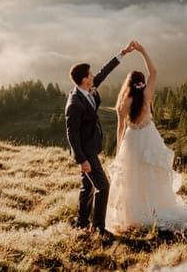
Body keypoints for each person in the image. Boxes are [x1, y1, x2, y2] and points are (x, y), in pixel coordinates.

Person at [106, 41, 187, 232]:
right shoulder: (146, 96)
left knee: (133, 178)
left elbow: (120, 128)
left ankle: (135, 213)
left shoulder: (123, 102)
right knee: (152, 175)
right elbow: (154, 72)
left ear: (128, 84)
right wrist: (142, 51)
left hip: (131, 141)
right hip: (148, 137)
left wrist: (119, 151)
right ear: (141, 83)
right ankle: (155, 207)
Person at [65, 42, 135, 236]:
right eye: (90, 74)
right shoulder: (74, 104)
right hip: (86, 151)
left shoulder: (88, 88)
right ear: (84, 79)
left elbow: (104, 72)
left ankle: (81, 223)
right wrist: (82, 160)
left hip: (92, 145)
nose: (94, 75)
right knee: (103, 187)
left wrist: (122, 54)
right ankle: (98, 228)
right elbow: (72, 133)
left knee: (87, 185)